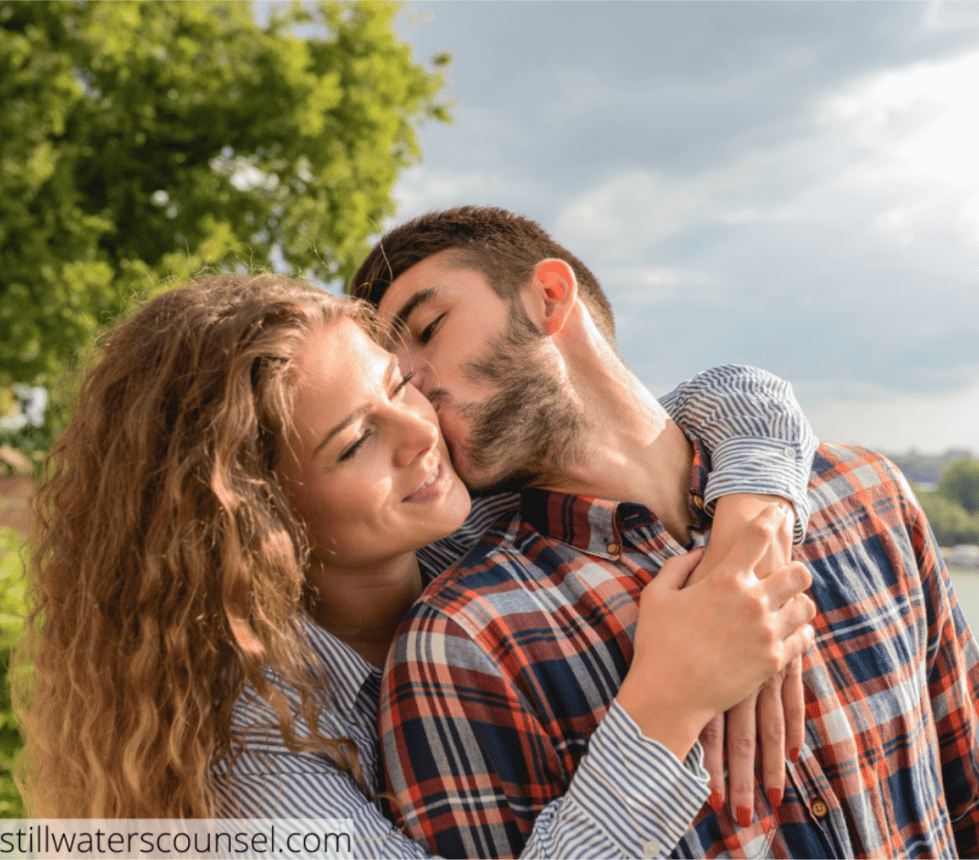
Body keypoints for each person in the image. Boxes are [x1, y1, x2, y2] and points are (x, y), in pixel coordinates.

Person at [14, 273, 817, 859]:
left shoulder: (474, 521)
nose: (421, 432)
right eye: (357, 442)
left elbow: (730, 400)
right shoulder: (252, 764)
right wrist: (664, 706)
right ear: (258, 520)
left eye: (401, 384)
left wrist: (751, 530)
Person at [352, 206, 979, 858]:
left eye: (430, 327)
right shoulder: (462, 643)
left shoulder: (866, 493)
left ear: (549, 298)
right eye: (390, 378)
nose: (409, 383)